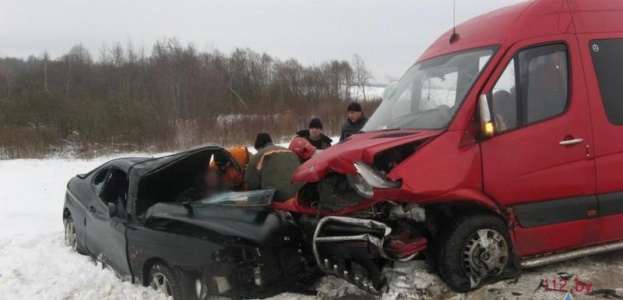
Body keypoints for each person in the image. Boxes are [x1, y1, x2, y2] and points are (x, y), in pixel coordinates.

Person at [245, 133, 303, 202]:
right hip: (301, 195)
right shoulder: (290, 151)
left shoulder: (260, 155)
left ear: (259, 147)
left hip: (279, 199)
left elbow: (250, 182)